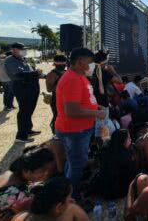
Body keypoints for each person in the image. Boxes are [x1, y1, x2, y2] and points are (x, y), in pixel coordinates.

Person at [55, 47, 106, 201]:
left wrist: (95, 107)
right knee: (77, 164)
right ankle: (73, 198)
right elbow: (71, 110)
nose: (92, 65)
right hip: (74, 130)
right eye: (90, 62)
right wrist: (96, 113)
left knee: (73, 162)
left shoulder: (80, 76)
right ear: (79, 62)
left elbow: (83, 101)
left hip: (80, 129)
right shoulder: (72, 80)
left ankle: (67, 189)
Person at [0, 147, 55, 221]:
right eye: (42, 171)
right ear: (27, 171)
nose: (46, 174)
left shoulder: (8, 175)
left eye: (48, 171)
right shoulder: (21, 193)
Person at [4, 42, 41, 143]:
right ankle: (21, 136)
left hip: (30, 86)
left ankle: (27, 130)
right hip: (21, 86)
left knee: (29, 109)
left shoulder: (22, 59)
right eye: (21, 49)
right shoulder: (10, 60)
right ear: (14, 50)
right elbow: (18, 74)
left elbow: (29, 71)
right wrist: (34, 73)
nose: (23, 51)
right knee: (24, 110)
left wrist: (38, 74)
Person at [89, 129, 140, 200]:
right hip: (118, 191)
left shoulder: (105, 149)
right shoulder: (126, 155)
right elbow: (131, 174)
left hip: (104, 187)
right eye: (128, 138)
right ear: (122, 141)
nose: (130, 139)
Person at [11, 177, 90, 221]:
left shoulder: (21, 217)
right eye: (69, 198)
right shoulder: (71, 210)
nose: (73, 200)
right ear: (58, 207)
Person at [91, 50, 122, 138]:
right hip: (102, 105)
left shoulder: (90, 72)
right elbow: (120, 81)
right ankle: (101, 148)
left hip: (91, 104)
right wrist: (113, 71)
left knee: (94, 128)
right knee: (101, 129)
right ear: (104, 63)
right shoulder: (105, 73)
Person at [45, 54, 67, 134]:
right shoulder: (51, 74)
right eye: (60, 63)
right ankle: (56, 133)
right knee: (57, 116)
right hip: (57, 99)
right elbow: (49, 89)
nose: (62, 65)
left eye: (63, 63)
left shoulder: (67, 72)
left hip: (66, 98)